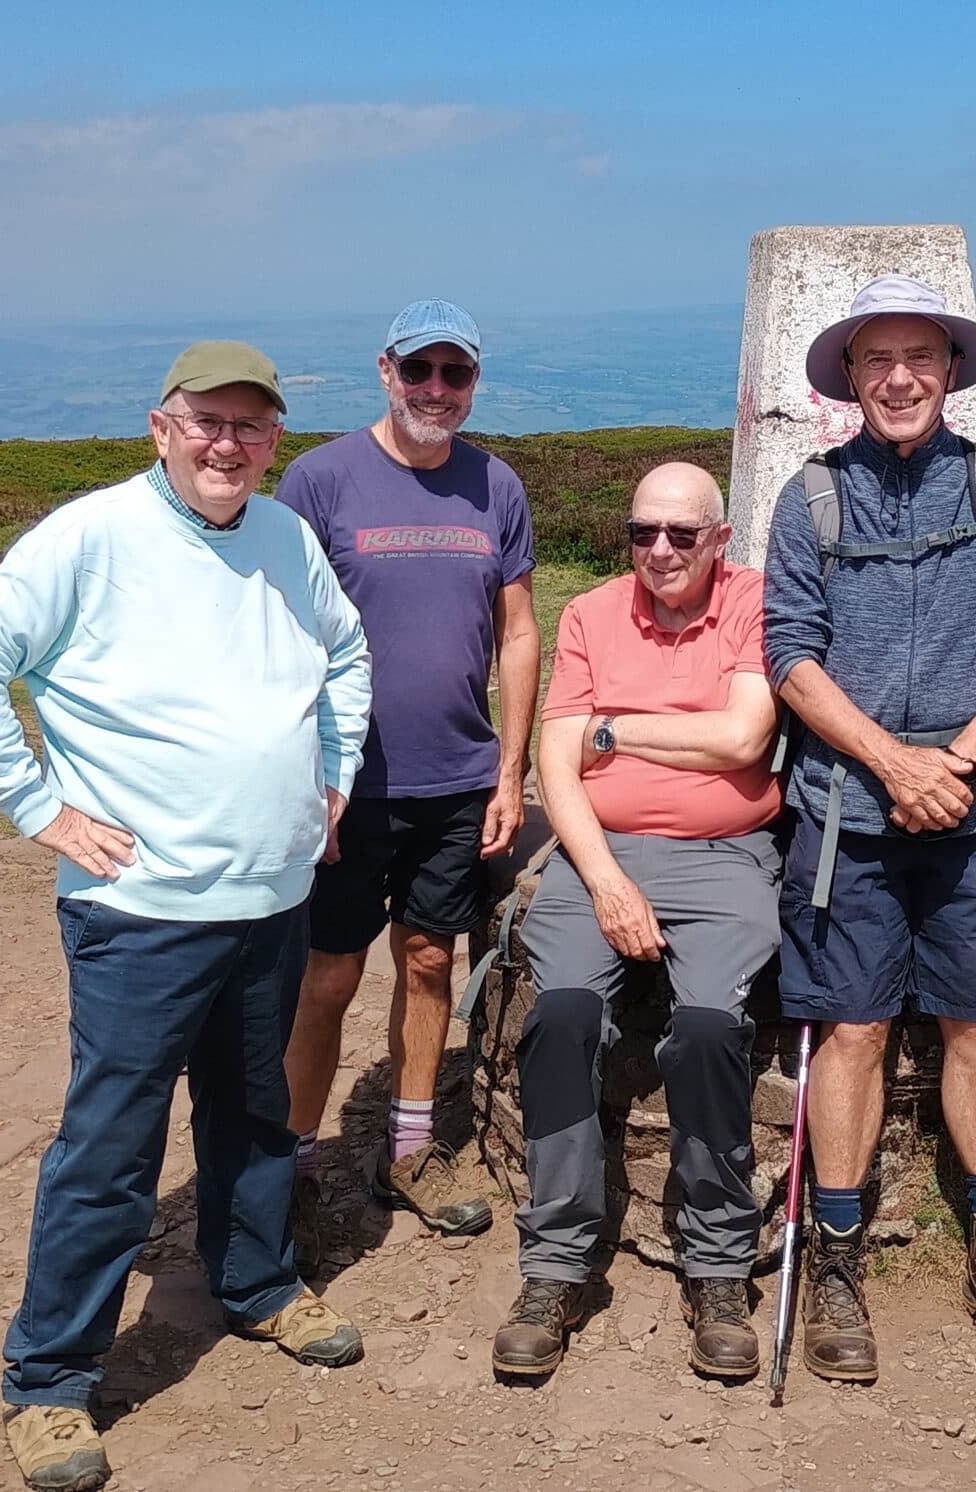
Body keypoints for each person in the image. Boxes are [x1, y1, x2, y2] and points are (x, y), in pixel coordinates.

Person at [0, 342, 373, 1492]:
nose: (228, 446)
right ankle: (52, 1379)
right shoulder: (92, 536)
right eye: (206, 424)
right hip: (140, 913)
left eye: (251, 430)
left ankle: (258, 1283)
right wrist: (38, 807)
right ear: (159, 427)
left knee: (256, 1113)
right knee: (111, 1148)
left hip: (270, 896)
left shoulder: (286, 538)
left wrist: (332, 774)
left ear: (275, 443)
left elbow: (347, 654)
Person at [764, 275, 976, 1381]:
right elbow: (787, 652)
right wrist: (893, 764)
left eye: (919, 358)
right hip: (847, 811)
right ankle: (835, 1257)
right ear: (848, 378)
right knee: (849, 1027)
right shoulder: (811, 500)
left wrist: (957, 762)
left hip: (974, 806)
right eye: (875, 360)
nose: (897, 378)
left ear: (950, 372)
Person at [490, 462, 783, 1380]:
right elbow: (556, 766)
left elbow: (744, 740)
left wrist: (616, 726)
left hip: (727, 854)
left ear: (720, 541)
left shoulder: (753, 601)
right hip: (599, 848)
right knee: (564, 1013)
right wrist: (608, 881)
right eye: (642, 532)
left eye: (682, 535)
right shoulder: (591, 615)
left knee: (706, 1027)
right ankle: (556, 1265)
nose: (659, 551)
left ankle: (719, 1264)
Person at [277, 300, 539, 1266]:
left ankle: (412, 1148)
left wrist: (509, 771)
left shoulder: (494, 484)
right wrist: (309, 774)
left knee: (432, 959)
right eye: (419, 370)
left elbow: (517, 630)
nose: (437, 390)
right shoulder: (321, 479)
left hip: (459, 777)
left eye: (455, 374)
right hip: (348, 783)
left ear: (473, 381)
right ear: (386, 370)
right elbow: (283, 636)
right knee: (328, 975)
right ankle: (295, 1164)